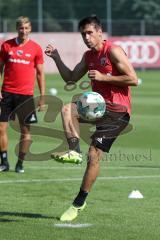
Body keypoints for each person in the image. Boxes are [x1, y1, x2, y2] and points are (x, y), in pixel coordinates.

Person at [45, 15, 138, 221]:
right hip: (100, 108)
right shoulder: (88, 57)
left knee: (94, 154)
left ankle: (79, 202)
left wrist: (105, 77)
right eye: (83, 34)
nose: (86, 37)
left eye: (89, 33)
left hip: (118, 111)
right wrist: (57, 58)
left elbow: (133, 79)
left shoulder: (112, 51)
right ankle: (73, 151)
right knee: (68, 109)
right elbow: (70, 78)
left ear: (99, 32)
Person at [0, 16, 45, 173]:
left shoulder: (36, 48)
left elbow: (40, 74)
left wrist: (42, 96)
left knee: (26, 131)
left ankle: (20, 163)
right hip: (6, 93)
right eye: (21, 28)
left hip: (26, 96)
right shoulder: (6, 46)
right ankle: (4, 162)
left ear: (30, 29)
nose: (23, 31)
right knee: (1, 129)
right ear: (17, 28)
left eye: (26, 28)